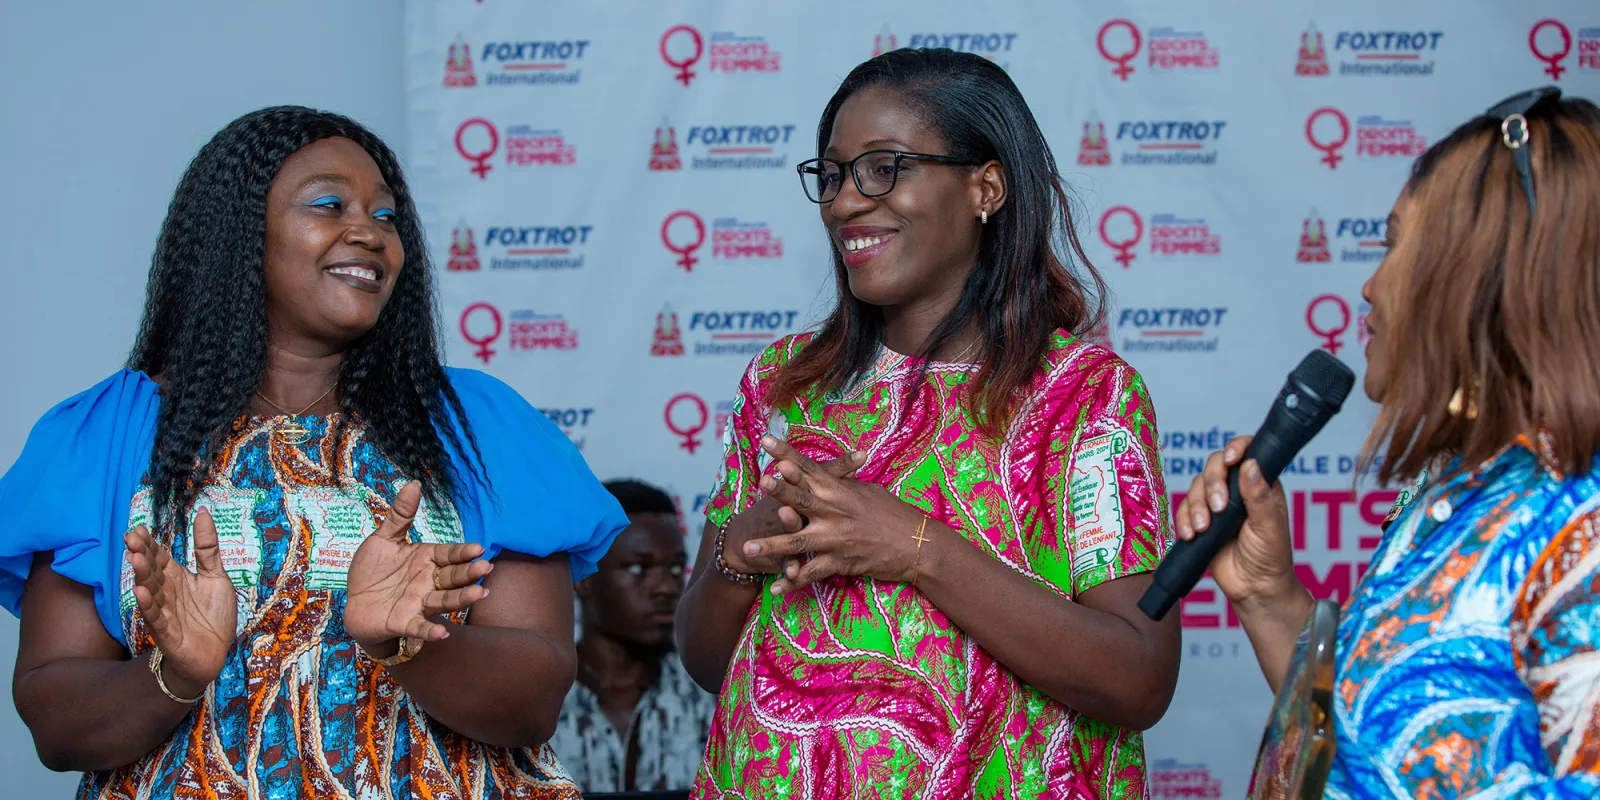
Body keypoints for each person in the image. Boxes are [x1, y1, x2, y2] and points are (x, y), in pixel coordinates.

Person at [0, 106, 628, 799]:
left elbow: (534, 701)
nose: (369, 232)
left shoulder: (476, 426)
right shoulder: (108, 433)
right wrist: (174, 676)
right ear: (239, 231)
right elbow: (56, 727)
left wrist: (403, 647)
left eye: (386, 216)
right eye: (329, 205)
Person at [675, 48, 1181, 799]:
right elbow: (708, 661)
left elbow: (1138, 678)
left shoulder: (1083, 395)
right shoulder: (785, 385)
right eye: (832, 175)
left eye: (884, 168)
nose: (845, 202)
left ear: (986, 187)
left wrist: (914, 547)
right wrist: (746, 548)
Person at [1175, 87, 1600, 798]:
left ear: (1479, 274)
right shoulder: (1457, 488)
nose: (1370, 287)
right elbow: (1358, 755)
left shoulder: (1581, 528)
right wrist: (1267, 595)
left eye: (1398, 244)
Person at [551, 480, 714, 793]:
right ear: (583, 579)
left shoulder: (711, 696)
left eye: (676, 568)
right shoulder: (540, 699)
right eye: (639, 569)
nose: (666, 588)